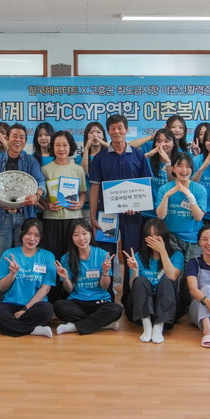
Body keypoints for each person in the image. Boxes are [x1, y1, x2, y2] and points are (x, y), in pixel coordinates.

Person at [89, 114, 153, 306]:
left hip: (132, 215)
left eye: (120, 128)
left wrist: (137, 205)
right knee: (106, 254)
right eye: (113, 128)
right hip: (106, 214)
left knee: (130, 253)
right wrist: (93, 217)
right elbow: (94, 189)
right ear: (108, 132)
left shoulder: (138, 155)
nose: (116, 131)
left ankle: (130, 297)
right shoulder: (99, 158)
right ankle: (106, 296)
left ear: (126, 130)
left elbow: (145, 186)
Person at [0, 123, 46, 288]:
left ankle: (23, 290)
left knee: (24, 255)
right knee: (1, 256)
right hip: (2, 216)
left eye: (22, 137)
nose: (18, 140)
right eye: (14, 136)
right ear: (7, 138)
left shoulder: (31, 161)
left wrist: (36, 196)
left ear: (25, 141)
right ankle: (2, 292)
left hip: (24, 216)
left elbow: (41, 182)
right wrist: (0, 201)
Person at [0, 218, 56, 338]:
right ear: (21, 233)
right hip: (11, 304)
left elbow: (45, 289)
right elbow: (2, 287)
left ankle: (2, 325)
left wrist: (25, 309)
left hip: (33, 305)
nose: (32, 239)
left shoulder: (47, 256)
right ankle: (33, 330)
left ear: (41, 237)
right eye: (28, 233)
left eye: (36, 235)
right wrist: (12, 274)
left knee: (47, 309)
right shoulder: (9, 254)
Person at [53, 219, 122, 335]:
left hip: (99, 301)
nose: (81, 238)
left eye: (84, 233)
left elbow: (104, 287)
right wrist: (65, 278)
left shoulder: (103, 254)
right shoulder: (66, 258)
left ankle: (75, 326)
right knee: (59, 306)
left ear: (91, 233)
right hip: (77, 301)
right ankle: (102, 324)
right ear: (71, 237)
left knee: (116, 309)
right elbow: (69, 289)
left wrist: (105, 272)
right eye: (76, 235)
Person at [41, 130, 86, 302]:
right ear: (52, 147)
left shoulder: (78, 169)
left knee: (72, 257)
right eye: (57, 145)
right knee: (53, 258)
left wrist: (81, 203)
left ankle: (71, 294)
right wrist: (47, 204)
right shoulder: (45, 169)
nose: (61, 149)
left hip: (73, 220)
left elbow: (83, 192)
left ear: (71, 147)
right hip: (51, 220)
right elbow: (41, 196)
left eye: (65, 145)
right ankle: (52, 296)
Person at [122, 218, 184, 344]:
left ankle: (158, 327)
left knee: (167, 281)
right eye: (149, 235)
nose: (154, 238)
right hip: (142, 307)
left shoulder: (176, 255)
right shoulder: (138, 256)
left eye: (157, 234)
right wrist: (135, 271)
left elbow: (172, 276)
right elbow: (133, 286)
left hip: (167, 306)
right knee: (140, 280)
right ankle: (147, 326)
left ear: (164, 235)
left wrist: (162, 251)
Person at [155, 152, 207, 262]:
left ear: (192, 169)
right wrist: (166, 196)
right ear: (173, 169)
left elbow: (198, 217)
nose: (184, 170)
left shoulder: (199, 189)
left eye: (187, 166)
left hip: (193, 238)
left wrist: (190, 196)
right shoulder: (164, 189)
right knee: (174, 269)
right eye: (179, 166)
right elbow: (160, 216)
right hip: (171, 237)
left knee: (192, 269)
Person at [142, 128, 177, 221]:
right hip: (147, 212)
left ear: (174, 143)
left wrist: (168, 163)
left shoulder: (179, 161)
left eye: (167, 141)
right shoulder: (148, 160)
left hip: (170, 212)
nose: (162, 144)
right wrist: (146, 156)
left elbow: (174, 184)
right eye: (159, 141)